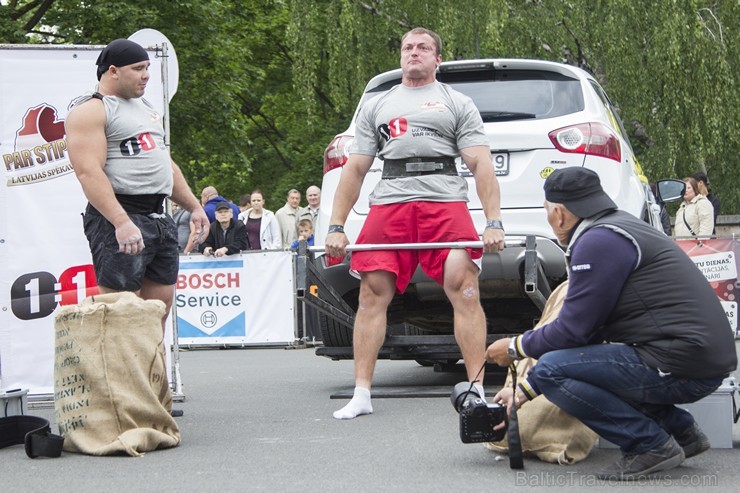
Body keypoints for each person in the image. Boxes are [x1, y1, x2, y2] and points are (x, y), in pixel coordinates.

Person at [485, 167, 736, 481]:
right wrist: (521, 391)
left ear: (559, 213)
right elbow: (588, 339)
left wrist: (513, 347)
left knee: (551, 369)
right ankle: (682, 432)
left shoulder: (597, 242)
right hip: (694, 360)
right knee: (578, 365)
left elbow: (571, 331)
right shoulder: (619, 228)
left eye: (548, 212)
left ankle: (650, 444)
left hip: (681, 364)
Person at [325, 27, 505, 420]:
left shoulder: (456, 102)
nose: (414, 53)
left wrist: (493, 221)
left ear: (437, 58)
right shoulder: (378, 103)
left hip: (444, 201)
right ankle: (361, 393)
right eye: (408, 47)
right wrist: (336, 226)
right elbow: (355, 169)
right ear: (401, 55)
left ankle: (475, 389)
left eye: (423, 48)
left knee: (465, 285)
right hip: (390, 201)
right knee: (372, 294)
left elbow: (479, 164)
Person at [66, 38, 209, 327]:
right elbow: (88, 172)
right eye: (138, 68)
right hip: (122, 215)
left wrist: (194, 206)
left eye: (147, 67)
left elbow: (164, 164)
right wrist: (120, 222)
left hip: (158, 216)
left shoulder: (145, 106)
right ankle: (120, 375)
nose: (146, 75)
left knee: (157, 313)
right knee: (123, 316)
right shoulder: (92, 110)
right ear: (114, 71)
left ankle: (151, 374)